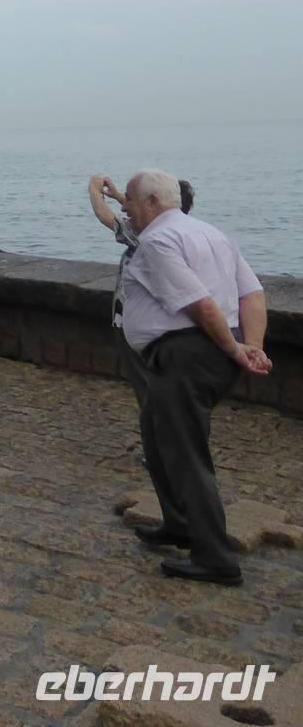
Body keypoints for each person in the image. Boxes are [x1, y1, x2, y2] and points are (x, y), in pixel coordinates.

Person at [118, 169, 269, 586]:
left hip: (191, 354)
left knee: (185, 455)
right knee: (155, 432)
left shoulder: (157, 241)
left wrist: (235, 349)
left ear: (151, 202)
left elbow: (199, 305)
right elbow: (252, 294)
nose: (125, 209)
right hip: (205, 351)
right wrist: (250, 344)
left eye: (128, 200)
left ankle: (215, 558)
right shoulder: (212, 234)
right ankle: (180, 523)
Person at [90, 174, 195, 407]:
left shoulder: (146, 236)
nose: (129, 206)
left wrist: (94, 190)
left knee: (147, 388)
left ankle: (159, 434)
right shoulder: (183, 232)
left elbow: (105, 217)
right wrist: (119, 196)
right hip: (168, 324)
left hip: (135, 323)